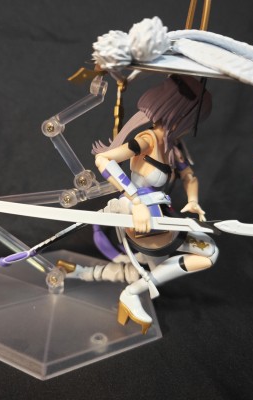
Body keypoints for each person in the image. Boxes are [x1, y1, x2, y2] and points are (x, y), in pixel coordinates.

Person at [66, 75, 219, 334]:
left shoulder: (173, 145)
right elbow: (104, 160)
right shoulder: (147, 139)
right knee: (177, 262)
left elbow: (189, 176)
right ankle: (130, 293)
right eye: (192, 118)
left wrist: (193, 201)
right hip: (138, 213)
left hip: (160, 213)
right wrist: (135, 200)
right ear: (179, 113)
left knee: (193, 257)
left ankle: (86, 274)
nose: (191, 127)